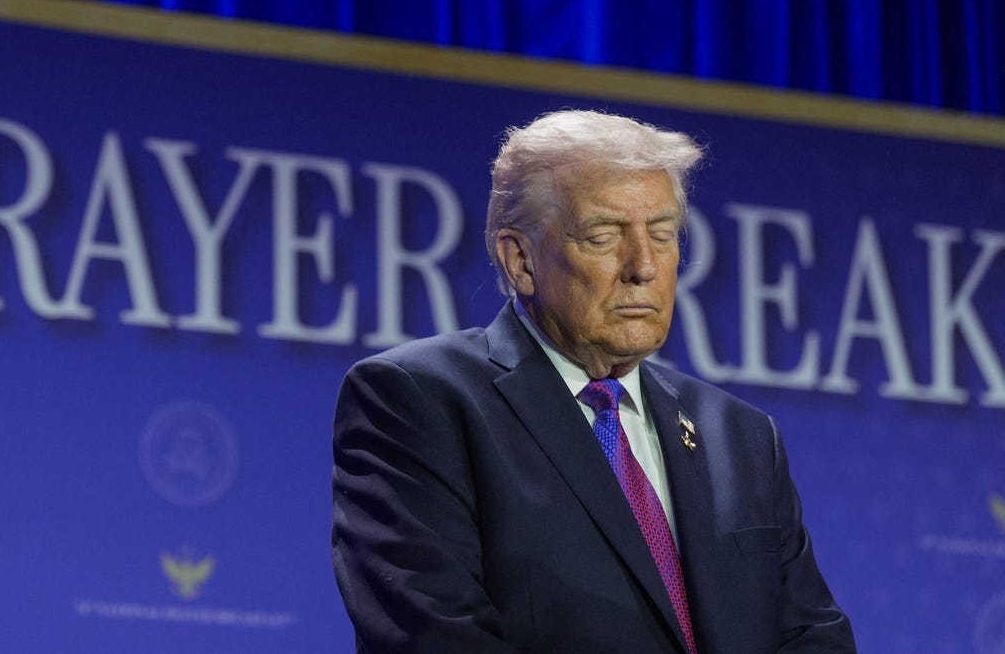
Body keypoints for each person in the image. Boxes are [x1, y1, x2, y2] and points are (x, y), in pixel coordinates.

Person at [331, 109, 855, 652]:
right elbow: (435, 634)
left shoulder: (740, 437)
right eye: (604, 237)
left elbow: (812, 636)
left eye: (663, 234)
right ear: (521, 260)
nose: (644, 266)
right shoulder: (421, 399)